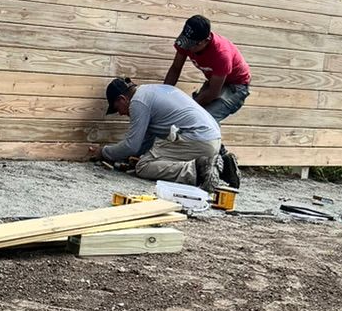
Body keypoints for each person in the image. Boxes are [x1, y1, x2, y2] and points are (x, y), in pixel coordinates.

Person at [94, 77, 225, 190]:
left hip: (197, 140)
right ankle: (221, 165)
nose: (121, 114)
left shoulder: (138, 102)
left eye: (117, 109)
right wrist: (125, 156)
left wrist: (103, 152)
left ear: (122, 99)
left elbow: (131, 145)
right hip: (212, 139)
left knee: (143, 166)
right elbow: (144, 142)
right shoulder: (152, 91)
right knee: (151, 159)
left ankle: (199, 169)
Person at [163, 14, 247, 187]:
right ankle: (222, 160)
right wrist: (164, 94)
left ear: (206, 40)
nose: (189, 49)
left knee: (206, 118)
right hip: (214, 82)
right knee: (196, 117)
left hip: (236, 86)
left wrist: (189, 107)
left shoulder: (221, 53)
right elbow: (175, 68)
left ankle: (222, 163)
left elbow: (215, 93)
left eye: (194, 45)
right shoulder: (187, 42)